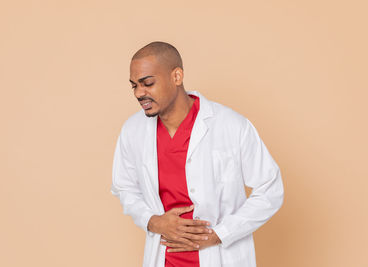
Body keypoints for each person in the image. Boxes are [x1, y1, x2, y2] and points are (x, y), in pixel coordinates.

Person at [110, 41, 284, 267]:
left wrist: (220, 234)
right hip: (163, 258)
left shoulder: (231, 125)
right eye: (134, 86)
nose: (139, 93)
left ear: (177, 76)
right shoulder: (132, 130)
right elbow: (124, 187)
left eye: (148, 83)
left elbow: (270, 189)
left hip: (221, 256)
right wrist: (153, 222)